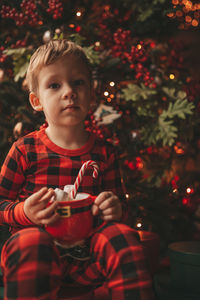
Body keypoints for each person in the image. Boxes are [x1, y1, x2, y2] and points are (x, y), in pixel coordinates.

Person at [0, 39, 154, 300]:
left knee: (123, 238)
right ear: (37, 101)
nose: (69, 91)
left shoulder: (104, 153)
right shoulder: (25, 149)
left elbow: (121, 210)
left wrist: (113, 209)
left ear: (92, 93)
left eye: (78, 82)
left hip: (90, 257)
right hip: (37, 254)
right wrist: (24, 211)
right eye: (54, 85)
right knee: (29, 242)